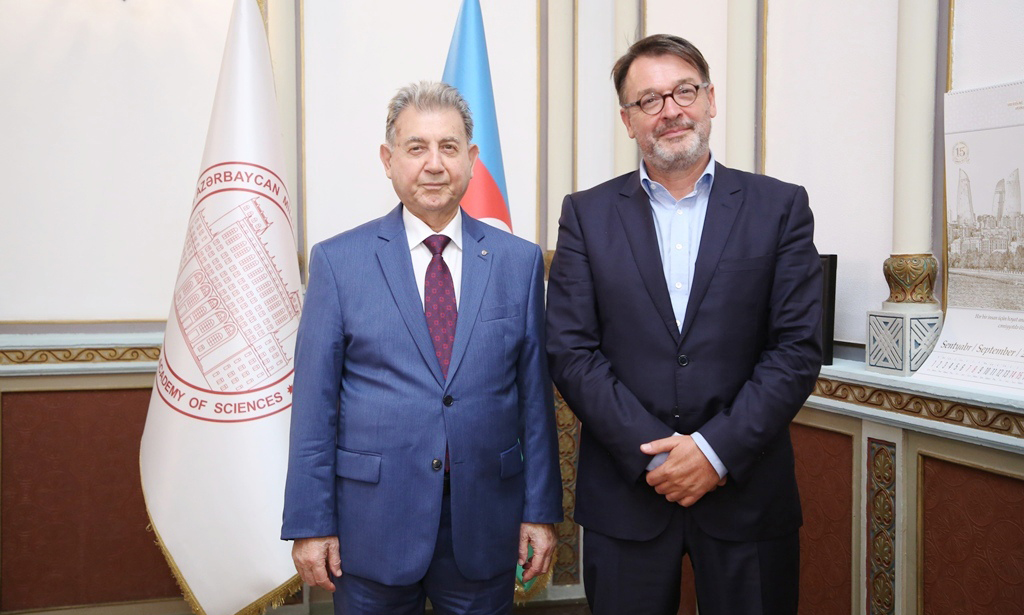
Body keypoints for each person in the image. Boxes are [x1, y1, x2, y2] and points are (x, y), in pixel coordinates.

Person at [546, 35, 823, 615]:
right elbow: (571, 351)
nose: (670, 110)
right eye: (649, 100)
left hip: (747, 495)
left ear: (710, 99)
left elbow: (796, 348)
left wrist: (714, 452)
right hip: (627, 498)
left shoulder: (779, 207)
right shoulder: (586, 215)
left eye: (684, 92)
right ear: (628, 120)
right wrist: (658, 458)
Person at [282, 81, 562, 615]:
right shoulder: (338, 263)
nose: (434, 164)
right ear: (388, 160)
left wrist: (539, 511)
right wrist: (311, 524)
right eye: (416, 148)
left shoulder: (518, 262)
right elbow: (314, 407)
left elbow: (535, 401)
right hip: (372, 523)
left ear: (471, 160)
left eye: (448, 147)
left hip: (485, 521)